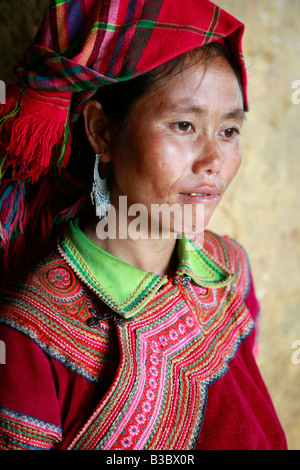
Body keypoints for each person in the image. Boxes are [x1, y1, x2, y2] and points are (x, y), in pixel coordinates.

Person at [0, 0, 287, 450]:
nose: (214, 161)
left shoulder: (230, 270)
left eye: (229, 131)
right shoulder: (28, 336)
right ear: (101, 131)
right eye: (184, 125)